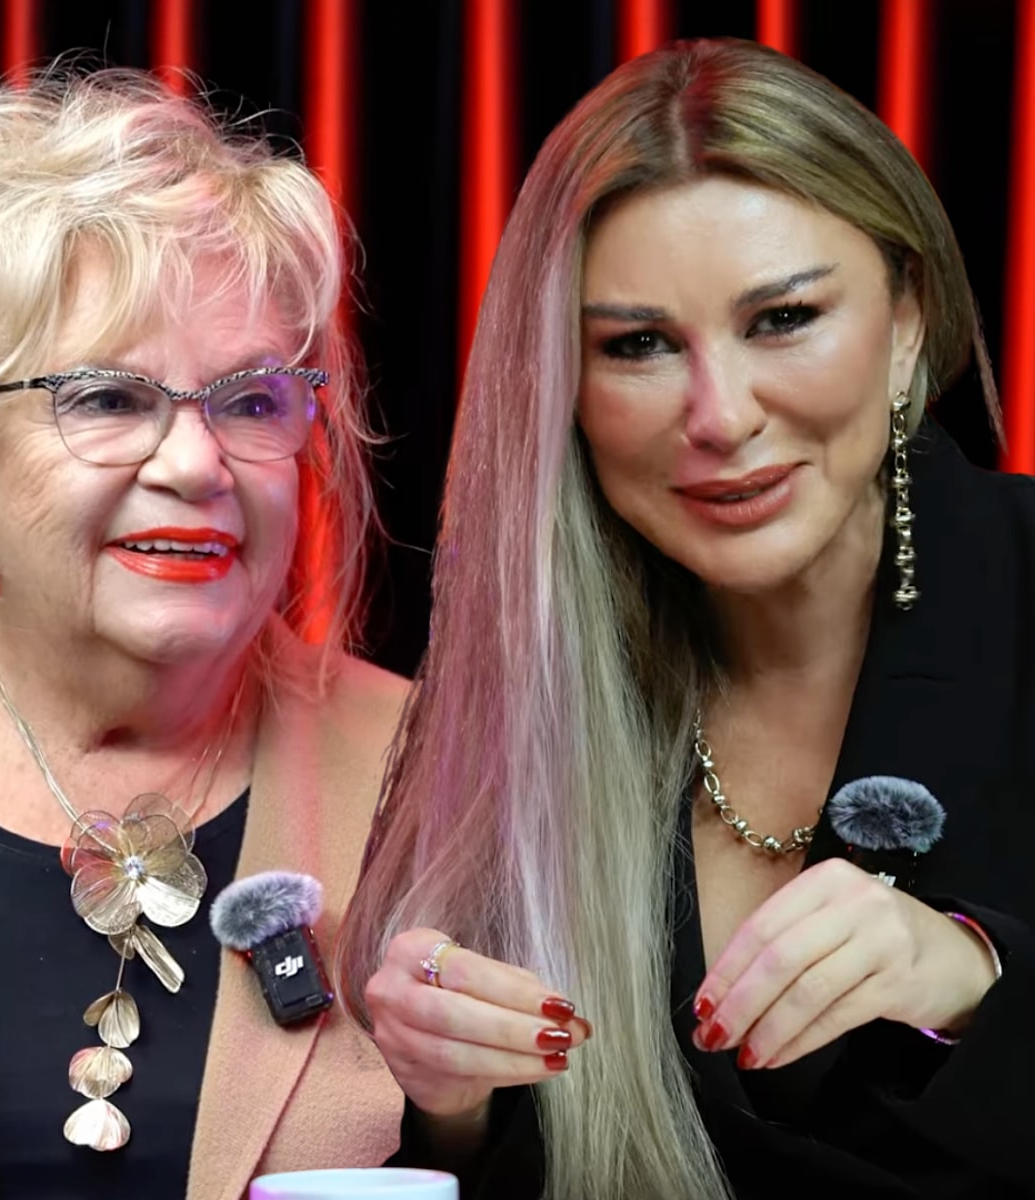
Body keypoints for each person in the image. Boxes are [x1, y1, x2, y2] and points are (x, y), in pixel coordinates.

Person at [338, 37, 1035, 1200]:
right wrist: (453, 1103)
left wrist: (973, 981)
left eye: (783, 319)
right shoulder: (533, 674)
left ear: (907, 321)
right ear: (561, 385)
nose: (719, 415)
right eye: (640, 345)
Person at [0, 68, 406, 1199]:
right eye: (105, 397)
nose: (195, 464)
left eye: (251, 400)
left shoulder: (442, 780)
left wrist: (481, 1110)